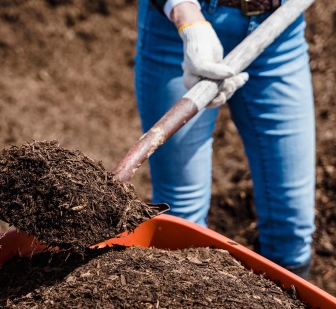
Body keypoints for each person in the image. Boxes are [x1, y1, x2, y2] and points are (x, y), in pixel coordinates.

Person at [135, 0, 315, 278]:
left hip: (280, 28)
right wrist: (187, 18)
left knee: (291, 225)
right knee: (182, 217)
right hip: (181, 30)